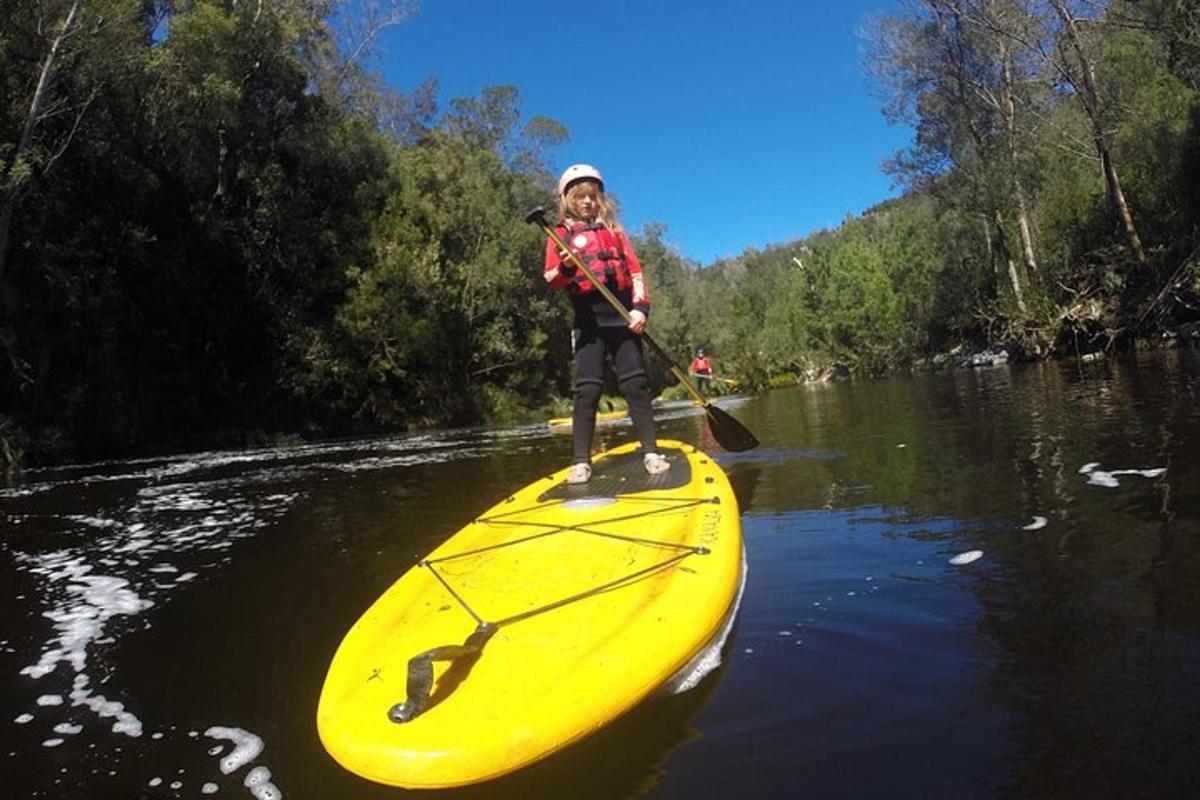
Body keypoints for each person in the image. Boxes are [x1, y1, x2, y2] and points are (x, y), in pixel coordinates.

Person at [543, 164, 670, 484]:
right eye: (579, 196)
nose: (587, 201)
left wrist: (641, 309)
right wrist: (569, 267)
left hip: (623, 317)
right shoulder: (558, 235)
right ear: (567, 199)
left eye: (592, 196)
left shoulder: (615, 231)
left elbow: (636, 272)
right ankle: (581, 461)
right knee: (587, 390)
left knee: (636, 385)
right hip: (588, 320)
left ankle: (651, 452)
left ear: (600, 199)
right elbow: (552, 279)